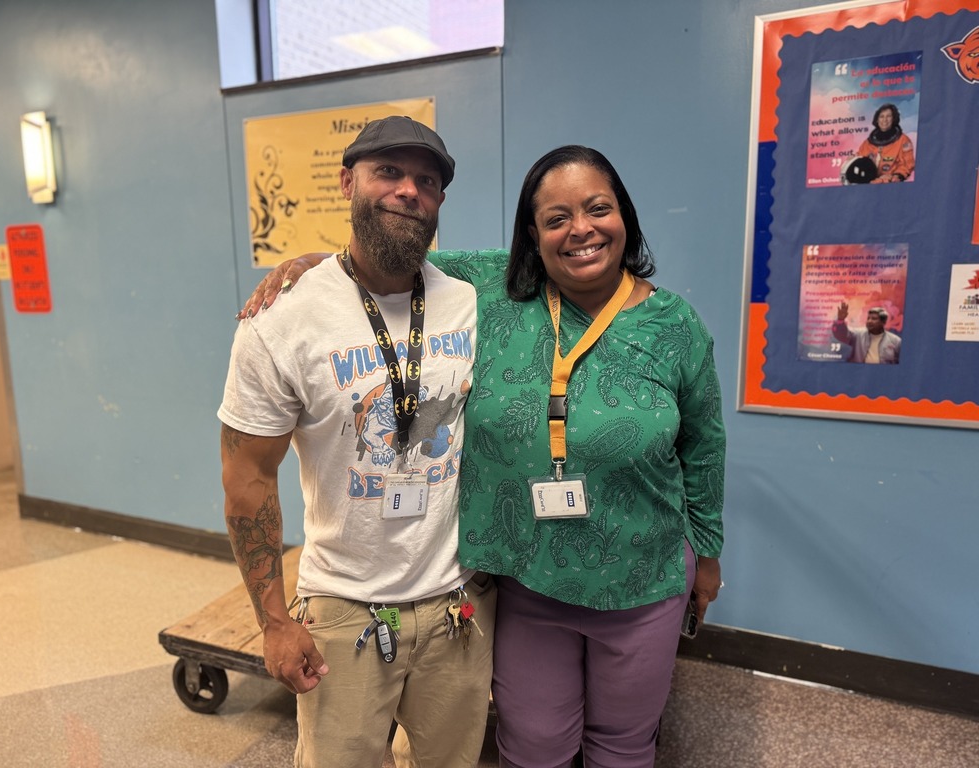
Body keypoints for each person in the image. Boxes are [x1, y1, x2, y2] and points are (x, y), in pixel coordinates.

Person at [244, 145, 726, 768]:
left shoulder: (675, 326)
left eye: (597, 209)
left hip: (644, 577)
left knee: (623, 745)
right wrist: (313, 265)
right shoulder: (500, 291)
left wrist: (707, 559)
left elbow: (705, 448)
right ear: (534, 235)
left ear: (624, 218)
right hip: (528, 578)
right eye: (556, 219)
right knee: (533, 744)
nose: (580, 230)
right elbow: (386, 258)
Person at [219, 115, 495, 768]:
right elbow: (247, 480)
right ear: (348, 182)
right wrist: (274, 624)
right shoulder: (281, 321)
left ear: (440, 201)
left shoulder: (473, 300)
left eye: (426, 180)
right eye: (388, 172)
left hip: (457, 605)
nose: (408, 190)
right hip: (343, 613)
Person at [855, 103, 915, 183]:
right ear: (877, 119)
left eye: (888, 116)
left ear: (894, 119)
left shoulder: (903, 140)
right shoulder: (868, 143)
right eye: (881, 116)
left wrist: (897, 176)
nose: (885, 120)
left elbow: (908, 164)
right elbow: (859, 159)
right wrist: (852, 160)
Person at [831, 301, 902, 364]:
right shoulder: (858, 334)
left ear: (883, 322)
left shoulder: (896, 341)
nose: (869, 321)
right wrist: (840, 320)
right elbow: (842, 335)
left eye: (874, 319)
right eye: (868, 318)